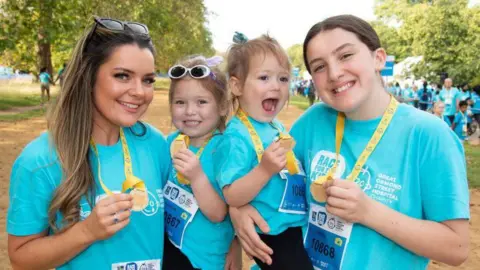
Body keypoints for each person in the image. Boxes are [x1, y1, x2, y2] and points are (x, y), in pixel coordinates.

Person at [229, 14, 469, 270]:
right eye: (319, 66)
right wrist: (237, 209)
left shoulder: (428, 134)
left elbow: (456, 247)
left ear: (378, 58)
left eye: (345, 56)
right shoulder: (313, 121)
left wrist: (369, 212)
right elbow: (260, 176)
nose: (334, 73)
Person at [7, 16, 170, 269]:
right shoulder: (40, 160)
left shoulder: (155, 145)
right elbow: (21, 258)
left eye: (148, 79)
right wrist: (87, 231)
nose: (140, 91)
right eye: (123, 76)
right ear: (89, 76)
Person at [217, 34, 312, 269]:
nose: (276, 86)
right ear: (236, 85)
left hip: (293, 227)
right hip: (271, 235)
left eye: (282, 78)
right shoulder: (236, 136)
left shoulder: (274, 125)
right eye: (264, 77)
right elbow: (232, 196)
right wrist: (264, 170)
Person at [162, 55, 239, 270]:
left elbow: (218, 214)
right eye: (180, 102)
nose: (190, 111)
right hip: (168, 252)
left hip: (205, 261)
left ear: (222, 107)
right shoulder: (170, 143)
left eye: (201, 102)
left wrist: (196, 177)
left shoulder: (226, 149)